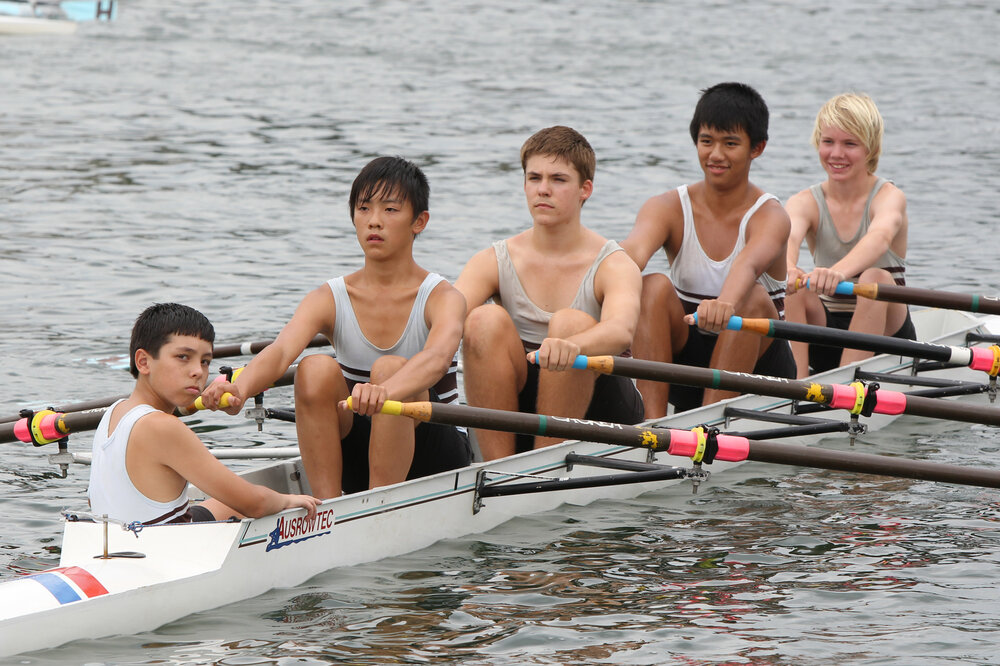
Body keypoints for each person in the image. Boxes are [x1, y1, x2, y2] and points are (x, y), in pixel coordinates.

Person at [200, 156, 471, 499]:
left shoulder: (442, 296)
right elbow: (281, 351)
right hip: (357, 450)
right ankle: (326, 509)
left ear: (419, 221)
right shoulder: (329, 297)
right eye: (363, 208)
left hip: (436, 453)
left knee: (388, 369)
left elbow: (436, 358)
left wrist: (386, 390)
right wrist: (241, 387)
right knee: (313, 368)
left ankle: (378, 506)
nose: (374, 221)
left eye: (390, 210)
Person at [456, 125, 644, 460]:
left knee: (569, 323)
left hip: (603, 408)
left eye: (558, 179)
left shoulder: (614, 263)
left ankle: (544, 465)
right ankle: (497, 468)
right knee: (481, 319)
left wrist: (572, 345)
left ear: (585, 189)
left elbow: (620, 330)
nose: (543, 190)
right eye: (534, 178)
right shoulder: (493, 260)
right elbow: (444, 319)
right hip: (521, 402)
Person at [621, 82, 796, 418]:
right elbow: (631, 254)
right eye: (707, 142)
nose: (715, 155)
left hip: (762, 372)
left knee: (751, 300)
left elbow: (747, 265)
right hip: (688, 368)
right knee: (651, 285)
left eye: (730, 143)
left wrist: (726, 304)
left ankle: (709, 424)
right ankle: (652, 425)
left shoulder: (770, 216)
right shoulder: (666, 207)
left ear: (756, 148)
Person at [87, 303, 321, 526]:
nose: (198, 372)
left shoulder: (114, 412)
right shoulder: (162, 426)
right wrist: (286, 500)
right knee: (268, 501)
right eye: (183, 357)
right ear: (143, 362)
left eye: (205, 361)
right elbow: (255, 505)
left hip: (114, 540)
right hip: (161, 552)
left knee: (226, 504)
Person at [784, 93, 912, 377]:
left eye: (850, 144)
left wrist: (838, 272)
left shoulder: (890, 198)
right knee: (794, 284)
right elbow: (788, 238)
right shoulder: (804, 201)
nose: (836, 154)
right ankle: (795, 384)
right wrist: (789, 268)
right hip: (830, 332)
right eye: (828, 142)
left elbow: (879, 238)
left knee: (874, 278)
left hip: (889, 339)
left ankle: (844, 389)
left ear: (871, 148)